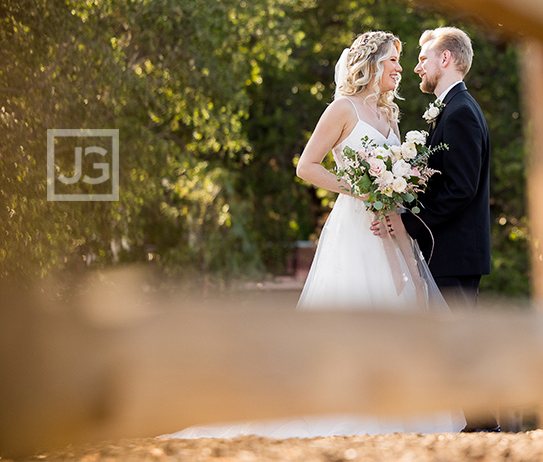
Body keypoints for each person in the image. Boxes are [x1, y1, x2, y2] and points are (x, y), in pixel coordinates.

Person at [165, 31, 464, 439]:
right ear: (374, 64)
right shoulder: (342, 109)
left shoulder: (391, 115)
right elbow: (306, 165)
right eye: (393, 60)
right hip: (356, 227)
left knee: (401, 308)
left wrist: (399, 188)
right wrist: (358, 187)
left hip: (390, 227)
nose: (400, 68)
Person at [374, 26, 498, 432]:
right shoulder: (453, 108)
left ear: (446, 59)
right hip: (450, 252)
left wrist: (407, 222)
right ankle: (475, 426)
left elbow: (460, 190)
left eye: (423, 59)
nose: (416, 67)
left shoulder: (461, 112)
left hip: (456, 254)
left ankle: (485, 428)